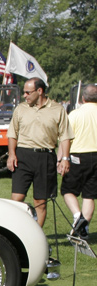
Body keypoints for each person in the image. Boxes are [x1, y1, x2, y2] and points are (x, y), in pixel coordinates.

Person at [7, 77, 74, 228]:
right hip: (22, 156)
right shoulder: (21, 109)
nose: (25, 95)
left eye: (27, 92)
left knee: (41, 202)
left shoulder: (58, 109)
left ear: (39, 91)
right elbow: (12, 134)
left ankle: (36, 236)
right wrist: (11, 154)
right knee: (16, 199)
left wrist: (65, 158)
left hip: (45, 157)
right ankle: (15, 232)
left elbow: (65, 136)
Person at [61, 83, 97, 238]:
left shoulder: (75, 114)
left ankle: (78, 217)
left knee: (68, 190)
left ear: (83, 98)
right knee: (89, 194)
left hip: (78, 155)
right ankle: (84, 228)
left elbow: (66, 138)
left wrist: (64, 158)